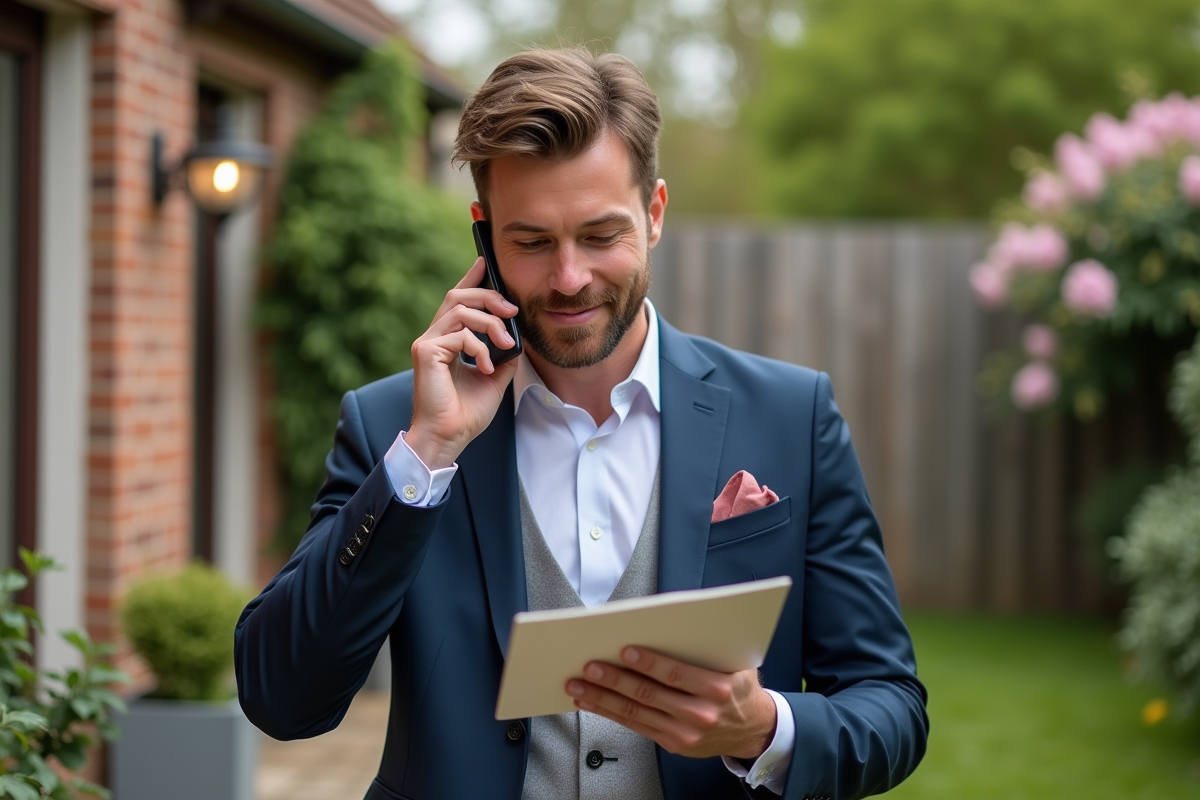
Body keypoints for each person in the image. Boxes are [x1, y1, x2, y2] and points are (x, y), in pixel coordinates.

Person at [235, 47, 928, 800]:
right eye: (531, 242)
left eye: (601, 236)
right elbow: (283, 698)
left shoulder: (792, 417)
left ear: (655, 213)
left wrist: (763, 729)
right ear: (484, 233)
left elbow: (890, 708)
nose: (569, 278)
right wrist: (428, 453)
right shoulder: (391, 428)